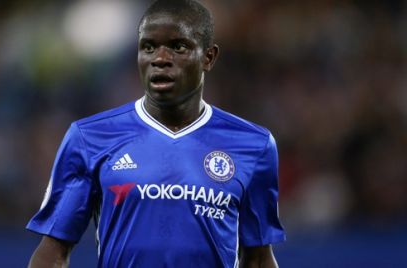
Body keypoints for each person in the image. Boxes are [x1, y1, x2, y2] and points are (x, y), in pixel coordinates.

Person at [26, 0, 286, 267]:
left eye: (178, 47)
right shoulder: (88, 138)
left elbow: (257, 259)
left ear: (209, 57)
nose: (160, 59)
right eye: (148, 47)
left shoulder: (253, 145)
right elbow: (53, 252)